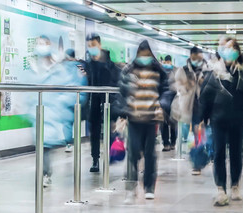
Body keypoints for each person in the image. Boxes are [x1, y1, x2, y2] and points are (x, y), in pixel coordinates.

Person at [199, 38, 243, 206]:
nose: (228, 52)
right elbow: (204, 98)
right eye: (225, 48)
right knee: (219, 153)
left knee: (236, 153)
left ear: (237, 52)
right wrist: (200, 118)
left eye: (232, 48)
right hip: (218, 120)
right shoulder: (213, 73)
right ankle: (221, 189)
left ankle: (235, 185)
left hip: (238, 120)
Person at [28, 39, 87, 187]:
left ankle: (45, 173)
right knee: (42, 146)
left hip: (52, 112)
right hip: (43, 112)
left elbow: (67, 90)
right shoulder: (34, 66)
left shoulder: (59, 68)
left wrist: (61, 103)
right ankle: (46, 172)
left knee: (45, 146)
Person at [120, 40, 168, 203]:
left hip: (151, 118)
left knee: (150, 154)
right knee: (133, 154)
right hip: (134, 118)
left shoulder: (158, 71)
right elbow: (121, 92)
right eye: (142, 54)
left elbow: (166, 90)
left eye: (147, 54)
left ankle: (149, 187)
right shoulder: (129, 70)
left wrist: (162, 105)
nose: (144, 58)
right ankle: (131, 188)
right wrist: (121, 113)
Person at [169, 46, 209, 175]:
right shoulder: (184, 70)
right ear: (191, 56)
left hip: (206, 106)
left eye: (200, 57)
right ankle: (197, 163)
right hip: (191, 107)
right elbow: (177, 86)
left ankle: (201, 158)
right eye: (196, 57)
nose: (198, 60)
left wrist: (203, 83)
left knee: (203, 135)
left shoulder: (208, 69)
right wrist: (186, 86)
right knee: (197, 135)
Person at [85, 33, 120, 173]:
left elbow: (115, 82)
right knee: (94, 132)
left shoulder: (110, 64)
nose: (91, 48)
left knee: (111, 129)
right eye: (89, 46)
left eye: (93, 45)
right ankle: (95, 159)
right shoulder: (88, 65)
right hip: (94, 101)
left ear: (99, 44)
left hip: (108, 102)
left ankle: (112, 152)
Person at [161, 55, 177, 152]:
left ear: (170, 61)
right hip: (163, 100)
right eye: (166, 62)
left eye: (168, 62)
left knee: (173, 122)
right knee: (163, 123)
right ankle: (166, 143)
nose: (167, 63)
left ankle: (172, 142)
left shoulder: (175, 70)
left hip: (173, 100)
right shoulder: (161, 70)